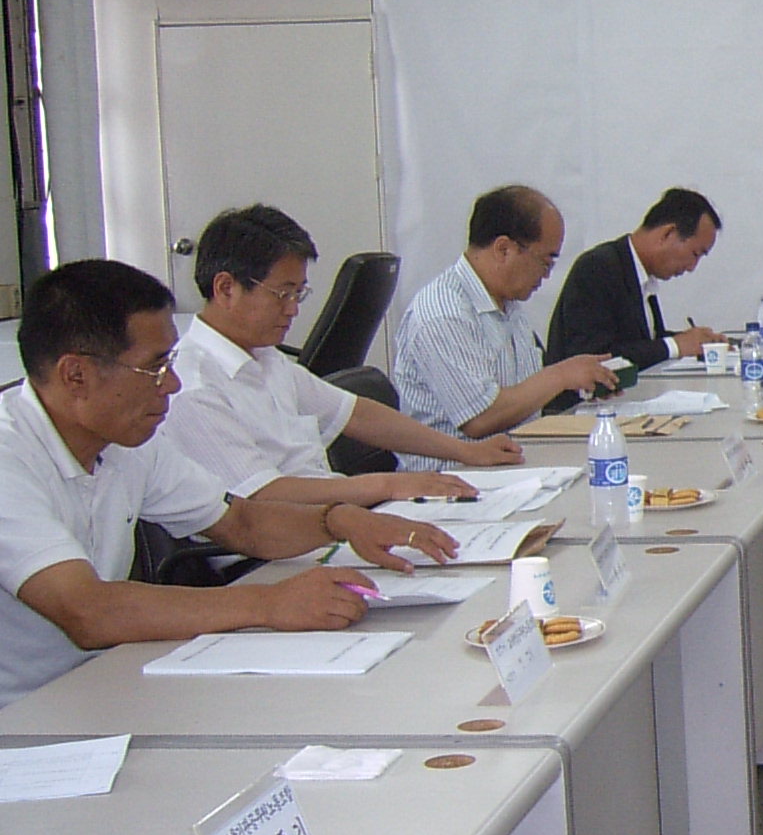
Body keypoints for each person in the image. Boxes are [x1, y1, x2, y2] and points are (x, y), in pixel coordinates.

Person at [0, 261, 445, 708]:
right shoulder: (9, 456)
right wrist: (267, 604)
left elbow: (240, 523)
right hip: (25, 713)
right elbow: (87, 611)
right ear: (75, 375)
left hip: (107, 678)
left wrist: (337, 521)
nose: (172, 384)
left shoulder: (125, 442)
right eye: (155, 368)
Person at [163, 205, 522, 508]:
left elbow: (357, 414)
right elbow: (262, 496)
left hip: (329, 524)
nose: (293, 309)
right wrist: (388, 486)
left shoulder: (265, 358)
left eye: (299, 294)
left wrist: (464, 452)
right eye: (283, 294)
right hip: (273, 552)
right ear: (226, 288)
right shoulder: (192, 387)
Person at [395, 186, 619, 465]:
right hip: (455, 477)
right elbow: (480, 418)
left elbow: (524, 399)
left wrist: (581, 383)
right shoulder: (443, 313)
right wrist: (561, 376)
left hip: (512, 463)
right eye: (545, 262)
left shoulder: (507, 304)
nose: (546, 276)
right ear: (503, 249)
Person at [544, 187, 727, 372]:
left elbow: (643, 342)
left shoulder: (640, 274)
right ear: (668, 234)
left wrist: (693, 341)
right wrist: (675, 345)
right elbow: (595, 356)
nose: (692, 267)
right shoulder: (597, 268)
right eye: (695, 254)